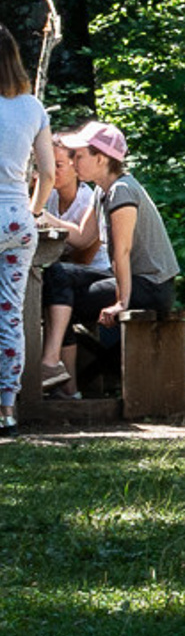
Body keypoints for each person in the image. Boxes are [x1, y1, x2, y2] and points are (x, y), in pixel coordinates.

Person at [59, 124, 183, 375]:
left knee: (63, 303)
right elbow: (83, 237)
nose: (73, 163)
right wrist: (38, 215)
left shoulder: (122, 191)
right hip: (129, 280)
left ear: (101, 158)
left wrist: (120, 303)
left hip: (151, 286)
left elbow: (122, 251)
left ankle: (73, 381)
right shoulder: (101, 192)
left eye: (79, 156)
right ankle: (59, 368)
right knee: (56, 275)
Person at [0, 27, 54, 434]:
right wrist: (33, 212)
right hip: (18, 219)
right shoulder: (33, 107)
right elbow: (48, 173)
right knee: (11, 316)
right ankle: (7, 409)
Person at [32, 135, 107, 396]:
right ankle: (66, 387)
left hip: (97, 275)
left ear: (76, 167)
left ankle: (60, 380)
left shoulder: (89, 200)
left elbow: (84, 255)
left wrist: (42, 215)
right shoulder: (49, 197)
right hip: (63, 276)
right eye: (45, 165)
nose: (50, 171)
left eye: (59, 165)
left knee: (53, 288)